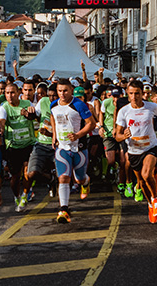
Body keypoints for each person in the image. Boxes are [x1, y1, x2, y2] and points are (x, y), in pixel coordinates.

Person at [115, 80, 157, 223]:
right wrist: (123, 136)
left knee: (146, 174)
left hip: (150, 147)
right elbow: (117, 135)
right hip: (133, 150)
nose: (134, 97)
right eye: (131, 93)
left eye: (137, 93)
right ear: (127, 93)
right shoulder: (124, 111)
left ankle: (156, 199)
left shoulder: (151, 107)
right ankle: (150, 204)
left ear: (142, 93)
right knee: (142, 183)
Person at [51, 79, 95, 224]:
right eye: (59, 91)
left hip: (79, 148)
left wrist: (77, 135)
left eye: (65, 91)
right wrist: (54, 136)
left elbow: (91, 124)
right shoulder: (54, 105)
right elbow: (53, 118)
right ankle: (64, 209)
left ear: (71, 90)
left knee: (79, 178)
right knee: (63, 178)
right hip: (62, 148)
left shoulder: (79, 105)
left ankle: (86, 181)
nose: (62, 94)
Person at [0, 83, 38, 212]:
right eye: (7, 93)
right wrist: (1, 129)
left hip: (29, 144)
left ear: (19, 92)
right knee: (16, 177)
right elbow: (2, 121)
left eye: (13, 93)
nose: (10, 96)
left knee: (29, 173)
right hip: (13, 147)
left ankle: (25, 195)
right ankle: (17, 196)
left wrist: (29, 114)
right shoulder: (4, 107)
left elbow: (35, 117)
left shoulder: (27, 103)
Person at [27, 83, 58, 199]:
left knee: (63, 176)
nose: (51, 98)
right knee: (32, 173)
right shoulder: (44, 101)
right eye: (49, 95)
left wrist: (50, 133)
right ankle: (50, 179)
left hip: (58, 145)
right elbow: (35, 115)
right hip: (41, 144)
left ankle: (63, 206)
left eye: (54, 96)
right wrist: (29, 112)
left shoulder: (64, 106)